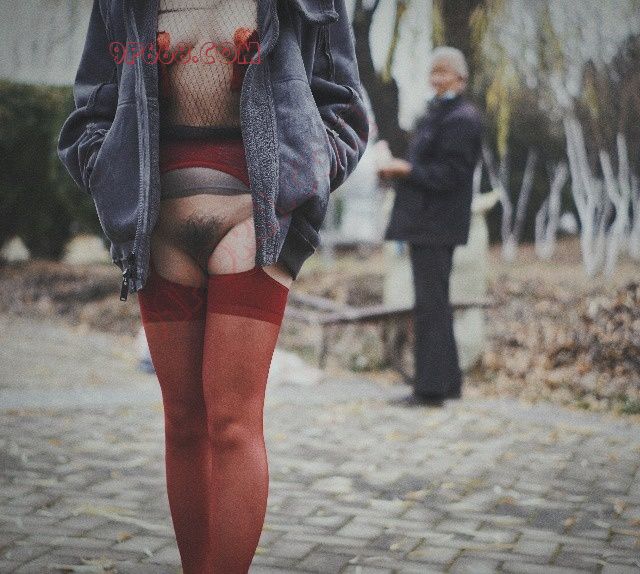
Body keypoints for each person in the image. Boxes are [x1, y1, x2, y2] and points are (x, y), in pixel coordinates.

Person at [57, 0, 369, 572]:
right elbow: (91, 108)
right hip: (160, 226)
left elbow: (344, 105)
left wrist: (306, 178)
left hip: (255, 217)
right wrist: (110, 175)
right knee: (182, 421)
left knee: (233, 421)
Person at [379, 46, 484, 408]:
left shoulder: (462, 119)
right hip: (427, 223)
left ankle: (429, 390)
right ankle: (449, 383)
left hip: (437, 225)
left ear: (461, 78)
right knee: (435, 303)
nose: (436, 78)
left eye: (444, 71)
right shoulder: (436, 114)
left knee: (430, 306)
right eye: (433, 71)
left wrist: (407, 171)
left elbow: (451, 176)